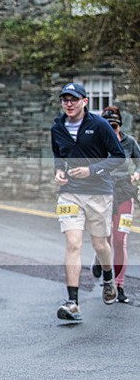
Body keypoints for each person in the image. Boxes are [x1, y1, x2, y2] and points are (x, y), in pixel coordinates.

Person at [51, 82, 125, 321]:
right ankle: (73, 302)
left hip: (99, 192)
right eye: (65, 99)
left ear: (84, 101)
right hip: (70, 192)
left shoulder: (100, 125)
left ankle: (108, 277)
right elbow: (59, 156)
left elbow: (118, 158)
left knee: (100, 244)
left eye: (73, 99)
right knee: (73, 242)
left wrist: (92, 170)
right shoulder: (57, 127)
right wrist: (59, 172)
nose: (68, 104)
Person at [90, 106, 139, 303]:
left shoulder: (129, 142)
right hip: (103, 193)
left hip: (125, 192)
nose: (113, 130)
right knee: (105, 238)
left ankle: (119, 285)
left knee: (120, 241)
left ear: (120, 124)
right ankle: (99, 256)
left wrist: (137, 173)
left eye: (115, 126)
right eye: (108, 126)